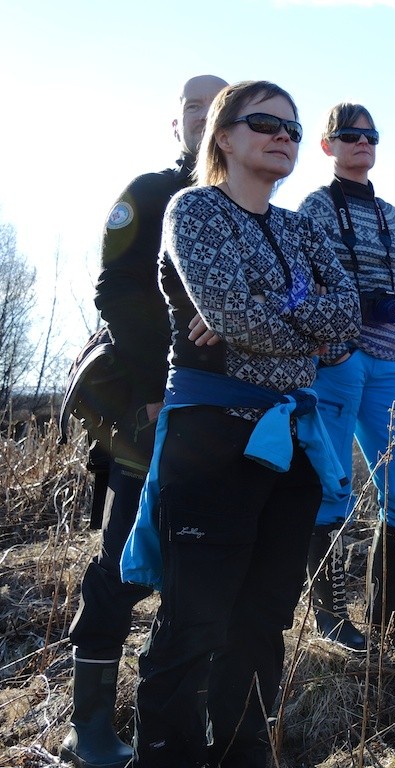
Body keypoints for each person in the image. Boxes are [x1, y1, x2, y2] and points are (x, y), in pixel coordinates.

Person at [128, 80, 360, 767]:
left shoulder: (298, 228)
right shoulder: (194, 211)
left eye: (291, 126)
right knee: (195, 620)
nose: (283, 134)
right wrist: (293, 323)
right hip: (213, 440)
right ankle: (167, 755)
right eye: (264, 122)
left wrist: (269, 311)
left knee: (262, 621)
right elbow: (234, 314)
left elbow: (347, 316)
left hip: (289, 445)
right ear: (222, 137)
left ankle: (241, 753)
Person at [61, 74, 226, 768]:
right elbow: (115, 290)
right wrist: (158, 387)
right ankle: (91, 729)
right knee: (124, 563)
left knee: (207, 567)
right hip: (150, 411)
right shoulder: (149, 195)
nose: (204, 117)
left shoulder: (242, 204)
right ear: (178, 123)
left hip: (227, 415)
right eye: (194, 106)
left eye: (217, 106)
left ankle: (180, 718)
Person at [298, 103, 395, 650]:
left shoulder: (394, 218)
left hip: (387, 371)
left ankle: (389, 610)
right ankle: (332, 619)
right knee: (330, 487)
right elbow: (297, 285)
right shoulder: (312, 210)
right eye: (349, 135)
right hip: (334, 366)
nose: (362, 142)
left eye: (370, 135)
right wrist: (331, 342)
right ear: (327, 146)